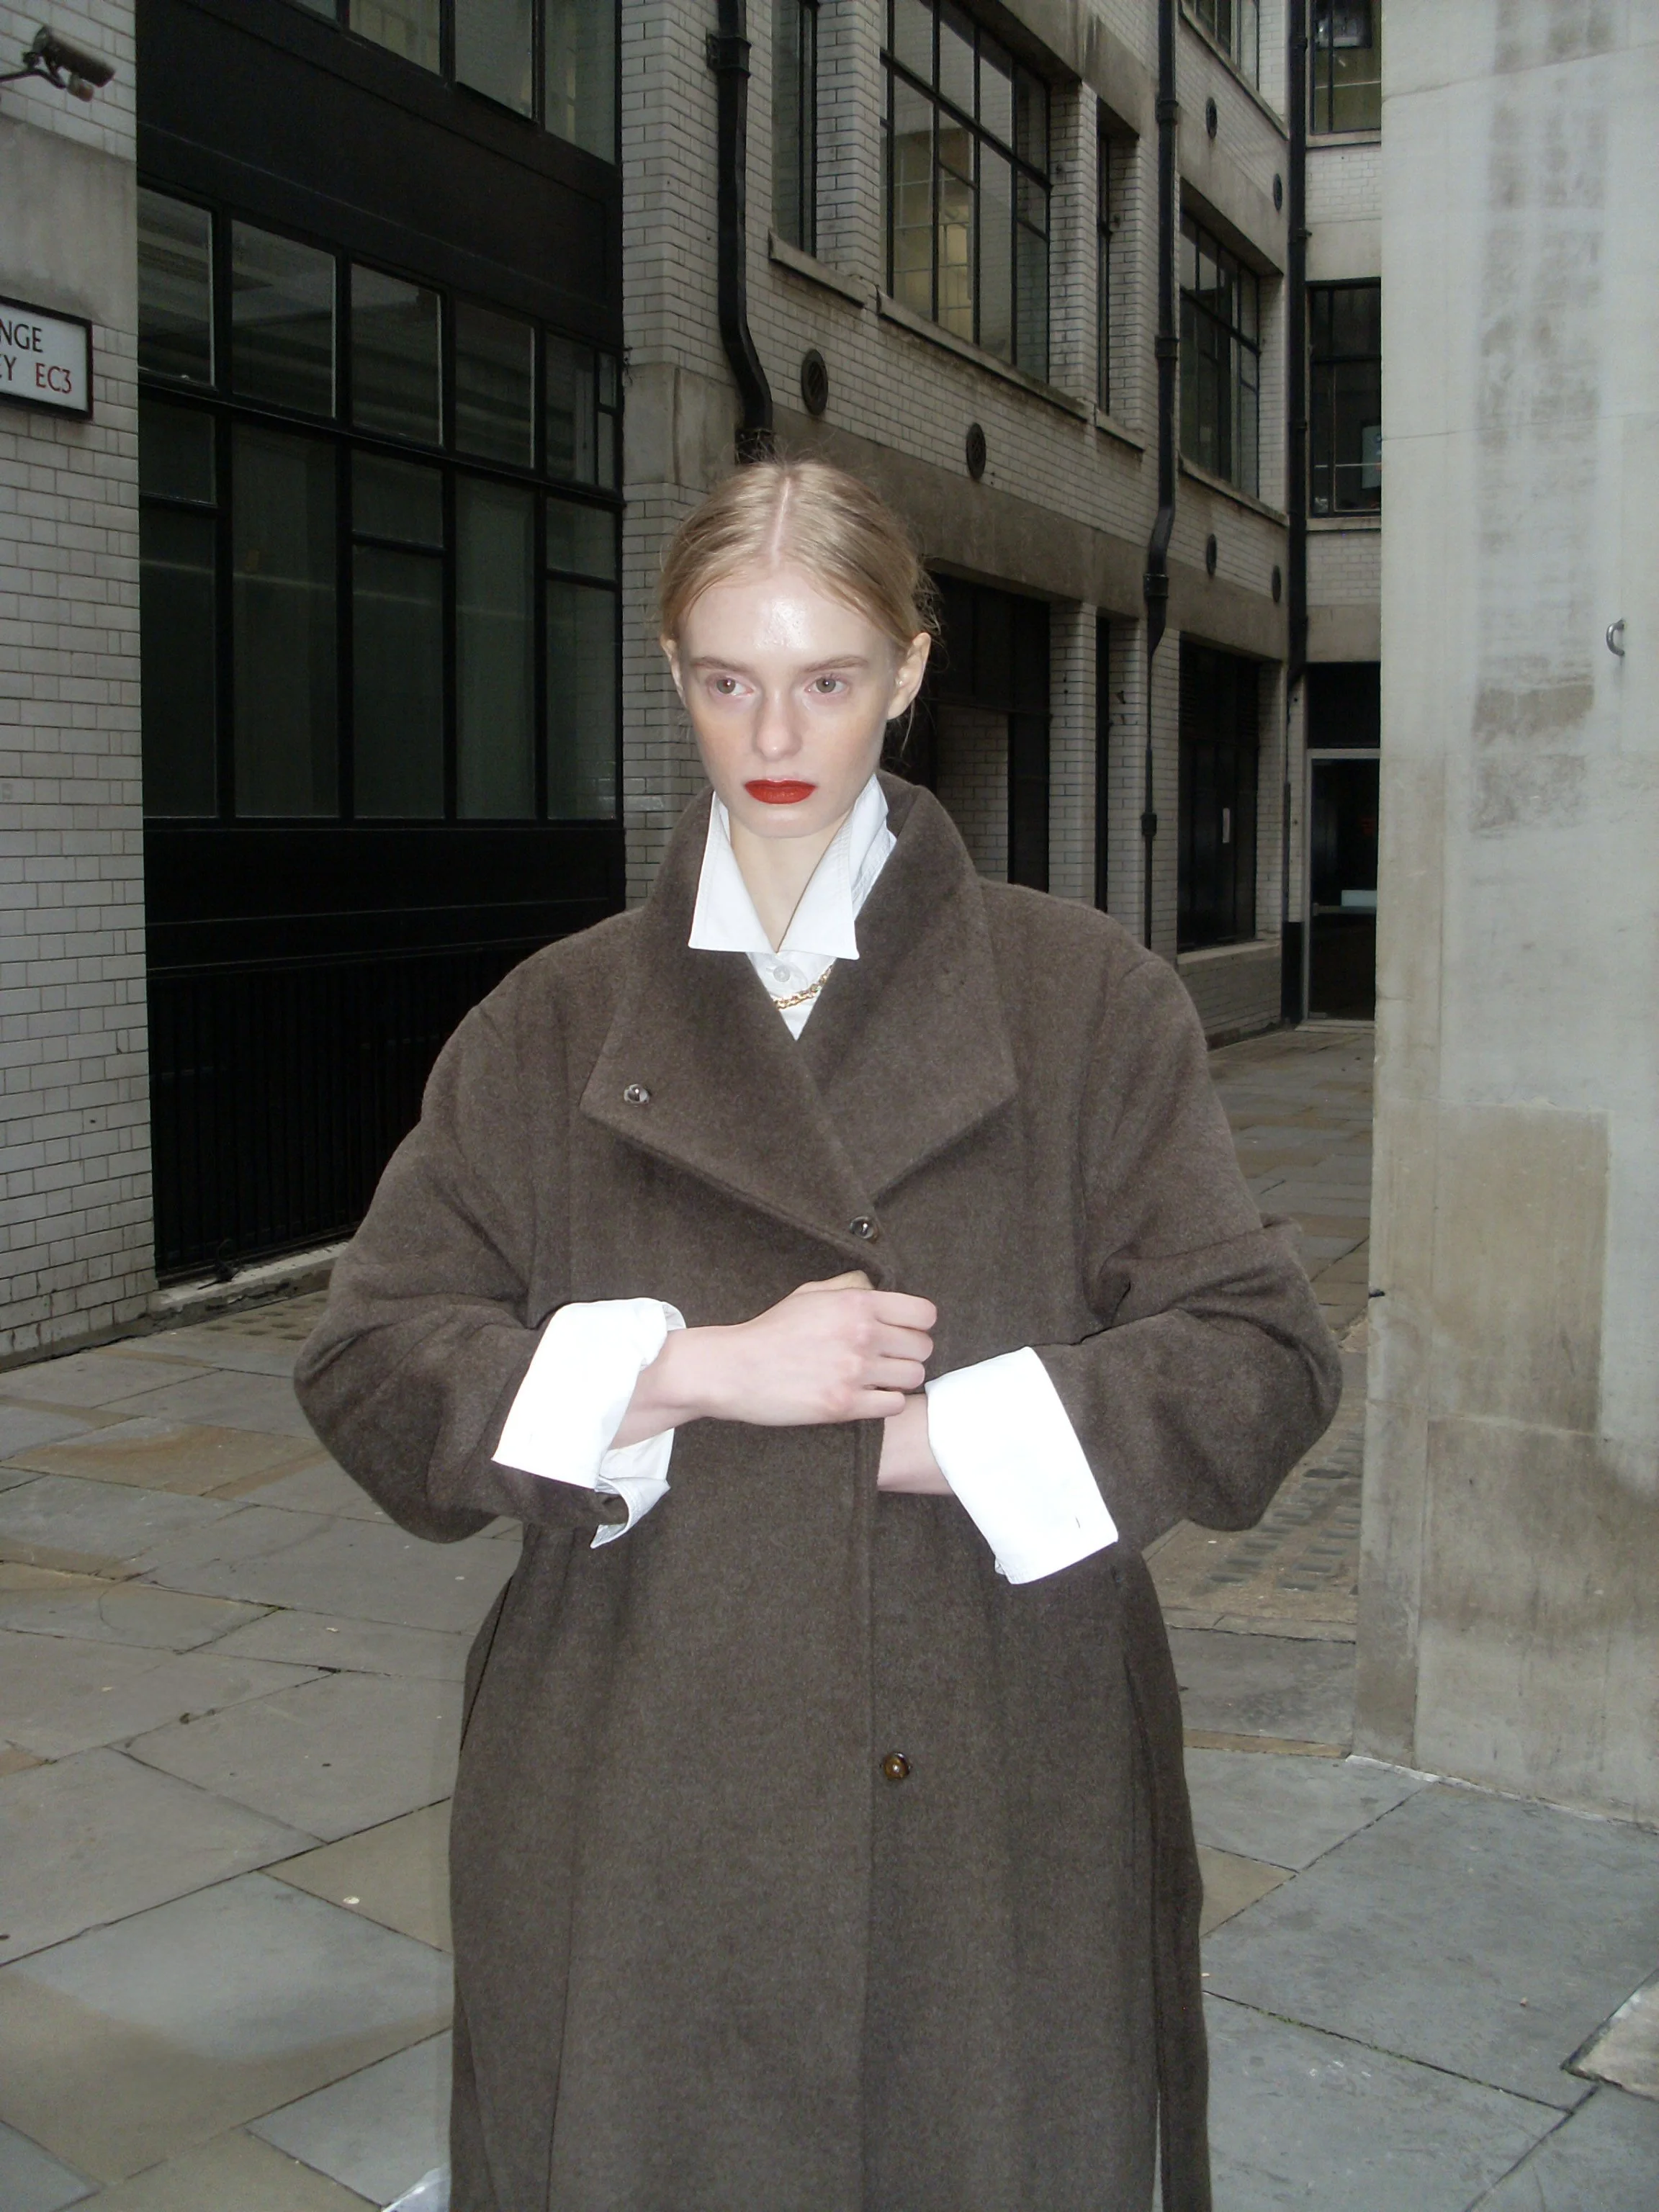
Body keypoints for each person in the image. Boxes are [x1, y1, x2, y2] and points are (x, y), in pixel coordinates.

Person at [295, 458, 1340, 2212]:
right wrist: (685, 1369)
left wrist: (958, 1436)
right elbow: (368, 1362)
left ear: (911, 671)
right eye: (726, 678)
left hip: (996, 1785)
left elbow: (1263, 1355)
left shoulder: (1084, 1001)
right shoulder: (551, 1022)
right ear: (675, 672)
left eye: (830, 678)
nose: (774, 730)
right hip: (632, 1796)